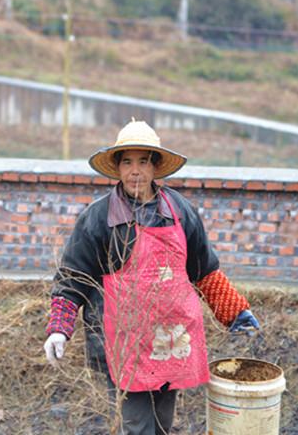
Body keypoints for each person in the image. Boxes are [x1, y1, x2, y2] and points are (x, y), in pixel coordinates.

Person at [43, 119, 260, 435]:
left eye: (143, 161)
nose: (135, 171)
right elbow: (72, 279)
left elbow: (204, 270)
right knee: (138, 426)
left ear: (155, 166)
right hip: (121, 343)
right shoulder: (98, 218)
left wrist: (235, 312)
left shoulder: (179, 211)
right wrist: (59, 329)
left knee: (162, 424)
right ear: (117, 167)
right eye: (127, 161)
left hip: (170, 339)